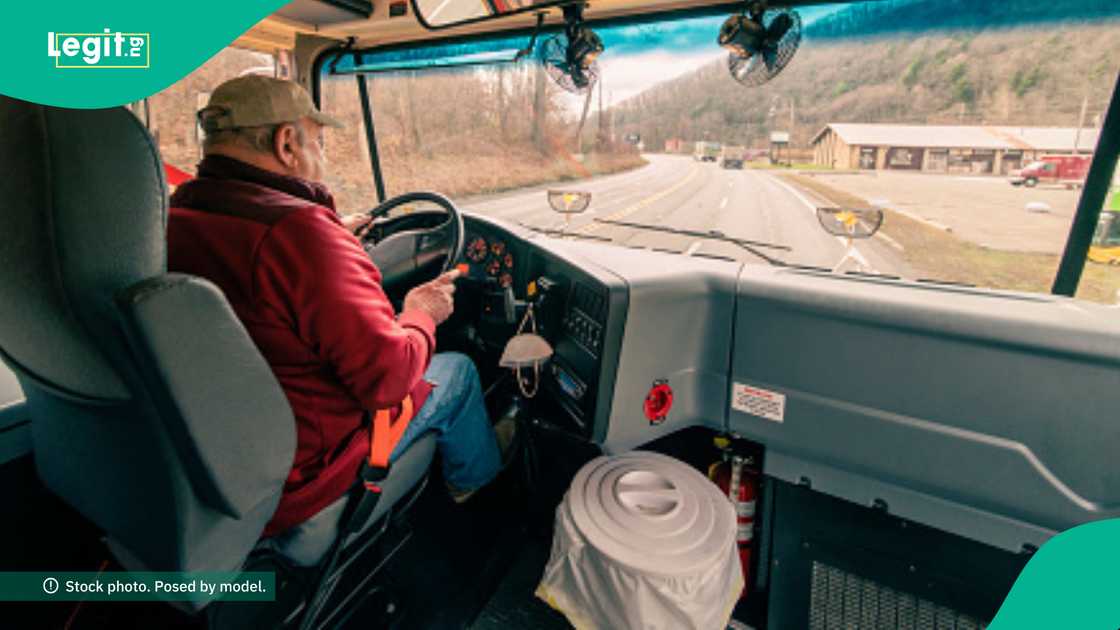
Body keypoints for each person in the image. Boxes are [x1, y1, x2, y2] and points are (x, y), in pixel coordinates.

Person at [166, 75, 512, 566]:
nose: (322, 156)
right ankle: (476, 483)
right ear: (288, 143)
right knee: (456, 372)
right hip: (315, 476)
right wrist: (420, 314)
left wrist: (334, 235)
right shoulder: (302, 237)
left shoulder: (178, 214)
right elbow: (389, 380)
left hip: (221, 458)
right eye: (319, 143)